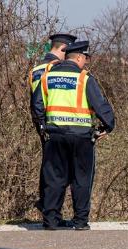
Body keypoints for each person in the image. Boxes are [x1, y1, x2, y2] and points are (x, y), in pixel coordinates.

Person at [32, 40, 115, 231]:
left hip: (55, 136)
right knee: (82, 178)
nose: (86, 62)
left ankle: (51, 220)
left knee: (54, 177)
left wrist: (43, 124)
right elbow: (100, 105)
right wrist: (108, 126)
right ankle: (80, 221)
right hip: (81, 137)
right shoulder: (84, 79)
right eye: (85, 58)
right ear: (78, 57)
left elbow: (36, 105)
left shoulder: (47, 77)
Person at [28, 33, 76, 212]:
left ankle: (47, 204)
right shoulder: (56, 68)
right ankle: (50, 207)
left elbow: (34, 100)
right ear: (63, 49)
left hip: (41, 121)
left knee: (49, 164)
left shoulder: (36, 68)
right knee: (60, 169)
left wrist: (40, 123)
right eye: (68, 52)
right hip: (57, 122)